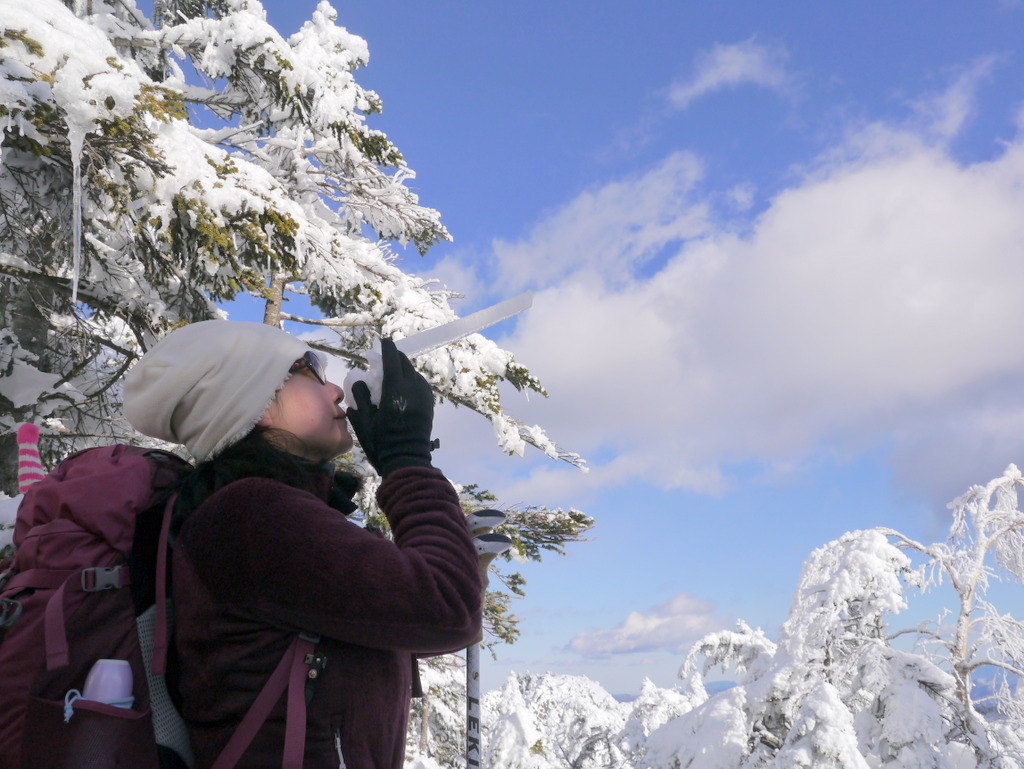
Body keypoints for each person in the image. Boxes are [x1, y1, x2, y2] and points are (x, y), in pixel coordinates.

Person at [123, 320, 482, 769]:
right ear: (255, 405)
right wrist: (408, 461)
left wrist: (461, 565)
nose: (335, 391)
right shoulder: (252, 516)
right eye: (309, 374)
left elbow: (399, 627)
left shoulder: (267, 515)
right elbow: (448, 611)